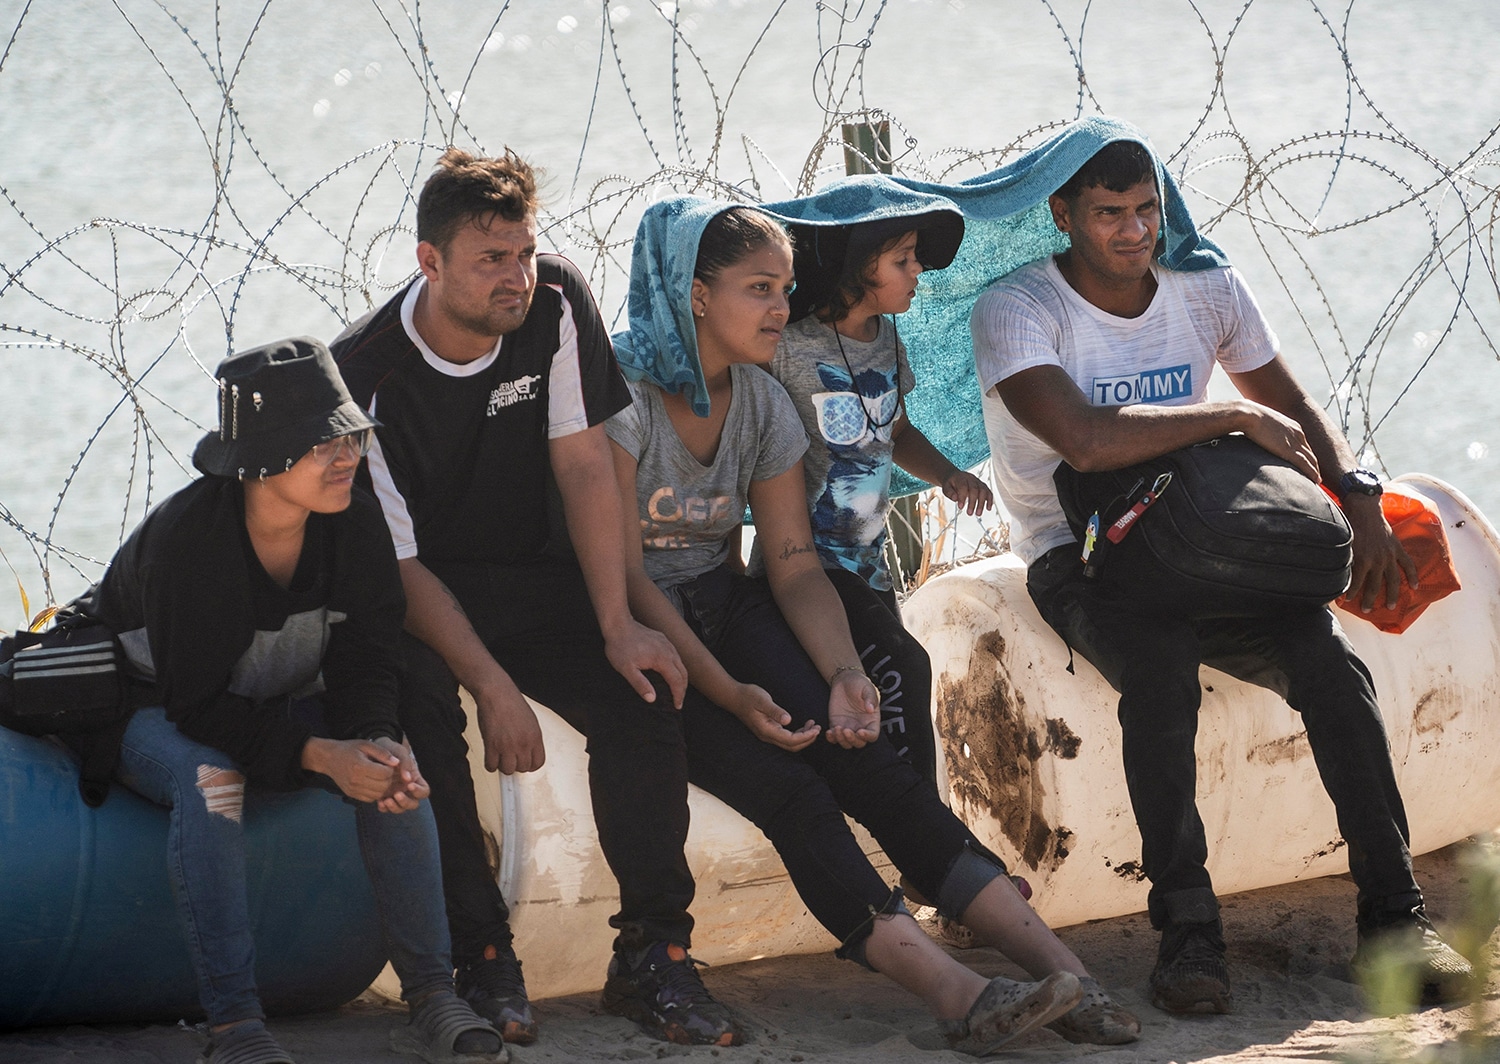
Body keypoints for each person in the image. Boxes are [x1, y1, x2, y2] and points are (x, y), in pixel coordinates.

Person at [606, 197, 1142, 1050]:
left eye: (784, 288)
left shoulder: (763, 401)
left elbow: (789, 561)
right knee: (795, 794)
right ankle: (955, 994)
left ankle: (1068, 979)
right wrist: (733, 693)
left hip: (725, 604)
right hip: (643, 629)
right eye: (758, 290)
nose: (781, 309)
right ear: (695, 294)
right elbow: (622, 576)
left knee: (876, 769)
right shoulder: (621, 397)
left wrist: (843, 670)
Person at [970, 136, 1475, 1014]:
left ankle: (1397, 921)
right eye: (1108, 214)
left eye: (1146, 211)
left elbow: (1292, 404)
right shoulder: (1018, 308)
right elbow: (1086, 440)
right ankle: (1189, 931)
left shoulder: (1206, 286)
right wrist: (1226, 416)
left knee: (1332, 668)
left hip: (1209, 539)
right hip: (1083, 554)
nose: (1134, 232)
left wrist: (1358, 502)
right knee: (1161, 673)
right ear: (1062, 216)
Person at [331, 148, 741, 1048]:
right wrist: (493, 685)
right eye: (490, 260)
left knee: (644, 690)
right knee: (420, 707)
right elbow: (397, 567)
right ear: (427, 262)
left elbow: (584, 462)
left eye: (522, 251)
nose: (515, 275)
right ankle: (479, 952)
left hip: (535, 575)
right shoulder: (364, 376)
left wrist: (618, 623)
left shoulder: (552, 300)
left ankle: (653, 957)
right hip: (422, 597)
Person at [73, 338, 504, 1064]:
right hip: (155, 708)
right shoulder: (190, 541)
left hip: (270, 701)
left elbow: (370, 658)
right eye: (322, 443)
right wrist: (314, 753)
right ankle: (235, 1025)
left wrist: (371, 735)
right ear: (261, 461)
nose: (347, 457)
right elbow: (197, 706)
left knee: (393, 766)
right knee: (212, 781)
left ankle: (433, 994)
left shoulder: (355, 522)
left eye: (354, 436)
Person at [749, 203, 992, 785]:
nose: (918, 272)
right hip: (805, 567)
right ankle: (934, 855)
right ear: (860, 269)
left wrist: (946, 474)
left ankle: (914, 850)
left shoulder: (886, 338)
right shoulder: (790, 348)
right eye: (902, 260)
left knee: (887, 704)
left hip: (871, 569)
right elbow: (746, 443)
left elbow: (897, 428)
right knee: (905, 669)